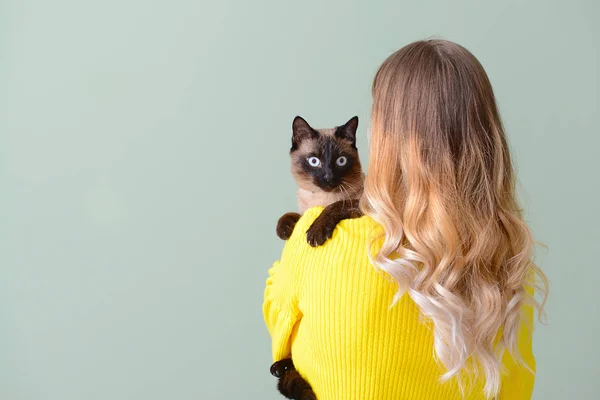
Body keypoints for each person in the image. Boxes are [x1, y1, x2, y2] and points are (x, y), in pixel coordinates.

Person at [263, 39, 548, 400]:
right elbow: (516, 389)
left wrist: (293, 251)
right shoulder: (506, 267)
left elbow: (280, 324)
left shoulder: (323, 237)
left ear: (383, 137)